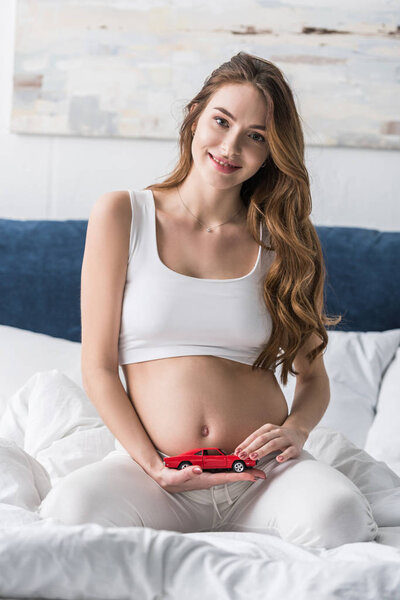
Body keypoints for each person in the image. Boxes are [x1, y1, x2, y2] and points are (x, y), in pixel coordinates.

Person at [39, 52, 378, 549]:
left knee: (341, 517)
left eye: (256, 136)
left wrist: (298, 431)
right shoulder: (122, 215)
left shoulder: (286, 240)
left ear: (271, 152)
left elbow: (313, 378)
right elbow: (99, 367)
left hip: (262, 475)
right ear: (195, 114)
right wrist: (154, 467)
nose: (230, 146)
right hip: (156, 475)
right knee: (73, 512)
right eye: (221, 121)